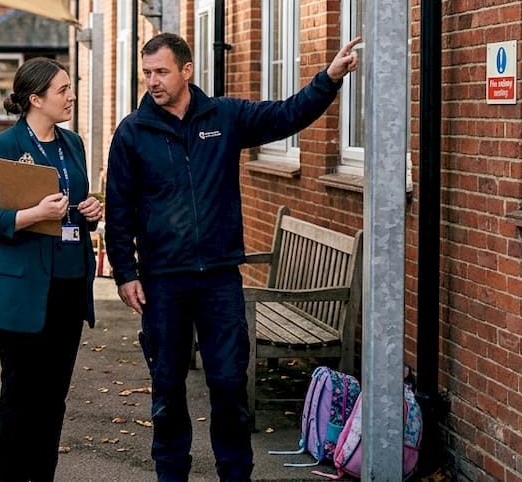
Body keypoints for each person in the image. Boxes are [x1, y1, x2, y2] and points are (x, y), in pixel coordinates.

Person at [104, 33, 361, 482]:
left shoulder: (223, 116)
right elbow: (119, 207)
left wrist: (330, 78)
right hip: (163, 282)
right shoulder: (132, 132)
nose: (153, 82)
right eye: (147, 73)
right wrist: (125, 272)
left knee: (227, 384)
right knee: (167, 389)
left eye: (161, 71)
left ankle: (235, 475)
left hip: (219, 278)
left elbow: (286, 115)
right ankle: (171, 475)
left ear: (186, 71)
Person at [0, 57, 103, 482]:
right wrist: (32, 214)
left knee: (54, 398)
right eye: (63, 90)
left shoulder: (73, 145)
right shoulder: (3, 147)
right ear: (35, 99)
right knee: (20, 396)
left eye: (70, 87)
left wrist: (91, 213)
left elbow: (76, 211)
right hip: (23, 291)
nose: (71, 96)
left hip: (68, 285)